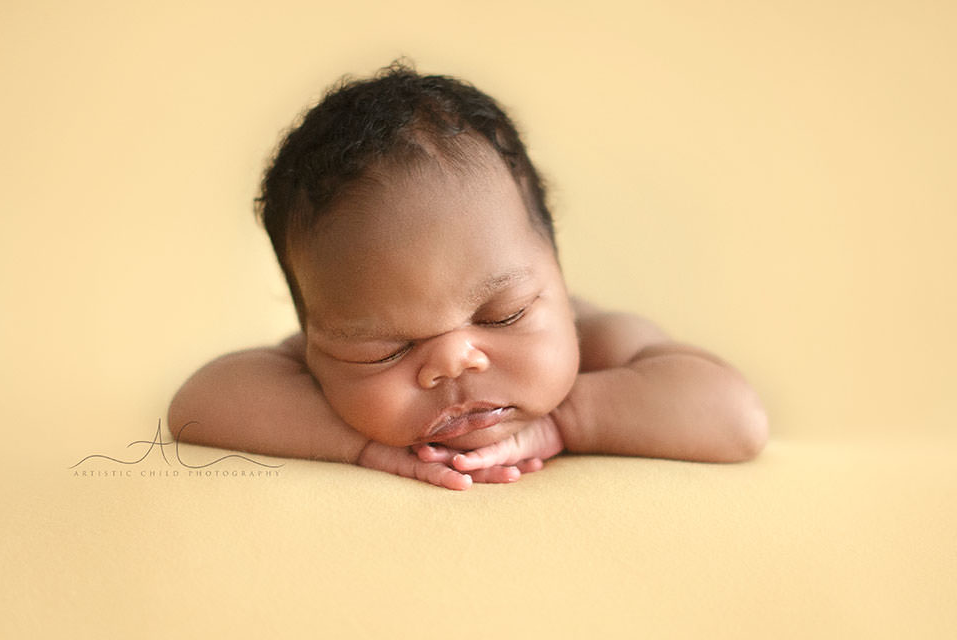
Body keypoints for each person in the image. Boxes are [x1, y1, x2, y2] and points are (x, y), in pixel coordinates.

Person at [167, 62, 768, 490]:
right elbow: (196, 407)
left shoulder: (603, 344)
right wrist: (363, 444)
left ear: (556, 273)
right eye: (388, 349)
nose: (454, 362)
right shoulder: (320, 367)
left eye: (502, 315)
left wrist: (566, 419)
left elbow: (737, 420)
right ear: (315, 334)